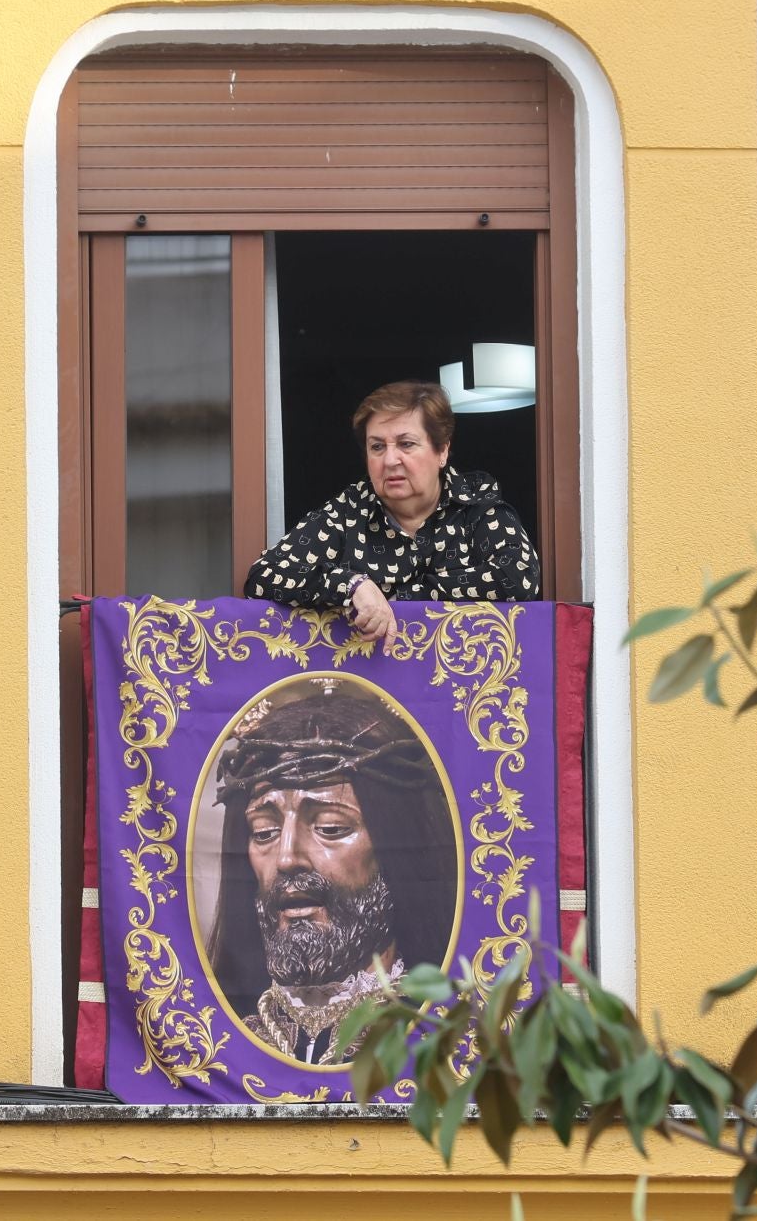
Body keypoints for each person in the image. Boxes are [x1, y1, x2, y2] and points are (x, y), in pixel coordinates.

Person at [206, 690, 459, 1066]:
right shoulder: (213, 1038)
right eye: (264, 832)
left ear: (396, 847)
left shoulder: (446, 1031)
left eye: (330, 827)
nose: (287, 858)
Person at [244, 380, 539, 639]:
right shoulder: (348, 511)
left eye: (406, 444)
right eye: (377, 447)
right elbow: (263, 576)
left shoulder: (475, 504)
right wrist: (353, 586)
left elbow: (519, 577)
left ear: (442, 451)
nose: (390, 460)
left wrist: (402, 599)